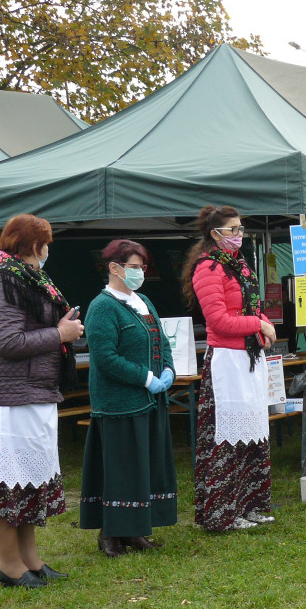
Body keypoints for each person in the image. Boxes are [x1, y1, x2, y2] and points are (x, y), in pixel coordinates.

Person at [0, 214, 83, 588]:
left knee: (30, 481)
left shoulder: (29, 277)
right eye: (45, 244)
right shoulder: (3, 280)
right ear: (34, 247)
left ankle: (31, 559)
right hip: (5, 399)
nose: (48, 250)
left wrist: (59, 329)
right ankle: (10, 566)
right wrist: (59, 333)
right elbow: (8, 343)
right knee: (4, 486)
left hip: (31, 394)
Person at [80, 239, 178, 557]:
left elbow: (162, 341)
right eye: (134, 267)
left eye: (142, 267)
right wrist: (145, 378)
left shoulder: (144, 301)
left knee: (143, 467)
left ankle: (135, 529)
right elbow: (105, 357)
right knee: (121, 468)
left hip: (149, 401)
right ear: (115, 268)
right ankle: (110, 532)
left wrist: (168, 371)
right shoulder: (102, 307)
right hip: (119, 402)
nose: (140, 273)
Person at [182, 206, 277, 530]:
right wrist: (258, 325)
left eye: (241, 229)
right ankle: (223, 511)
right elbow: (218, 320)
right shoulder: (207, 268)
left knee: (253, 433)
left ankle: (251, 503)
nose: (239, 235)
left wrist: (262, 322)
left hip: (249, 357)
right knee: (227, 437)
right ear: (216, 234)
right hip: (227, 362)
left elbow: (253, 305)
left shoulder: (239, 266)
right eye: (233, 230)